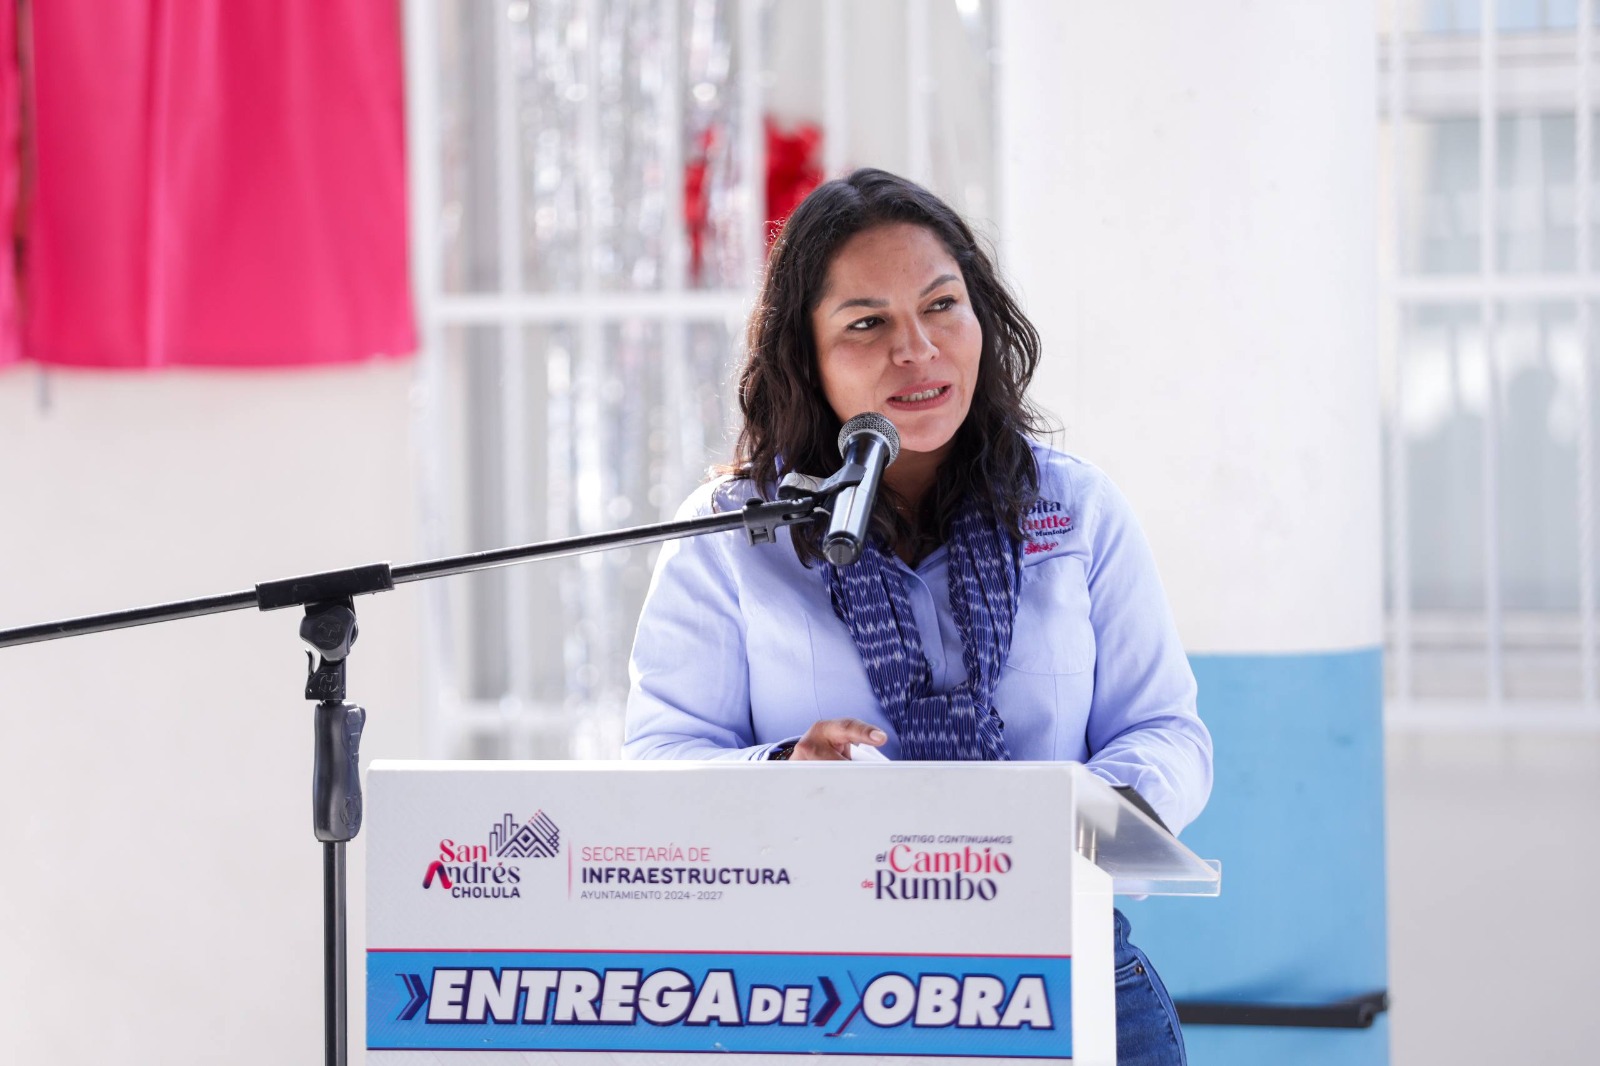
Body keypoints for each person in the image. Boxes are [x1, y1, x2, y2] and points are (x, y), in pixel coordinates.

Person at [624, 168, 1212, 1066]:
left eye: (942, 306)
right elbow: (660, 766)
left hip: (1069, 974)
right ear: (806, 356)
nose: (918, 350)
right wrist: (786, 769)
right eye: (866, 324)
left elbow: (1168, 734)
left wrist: (1068, 822)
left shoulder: (1078, 512)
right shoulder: (733, 535)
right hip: (820, 999)